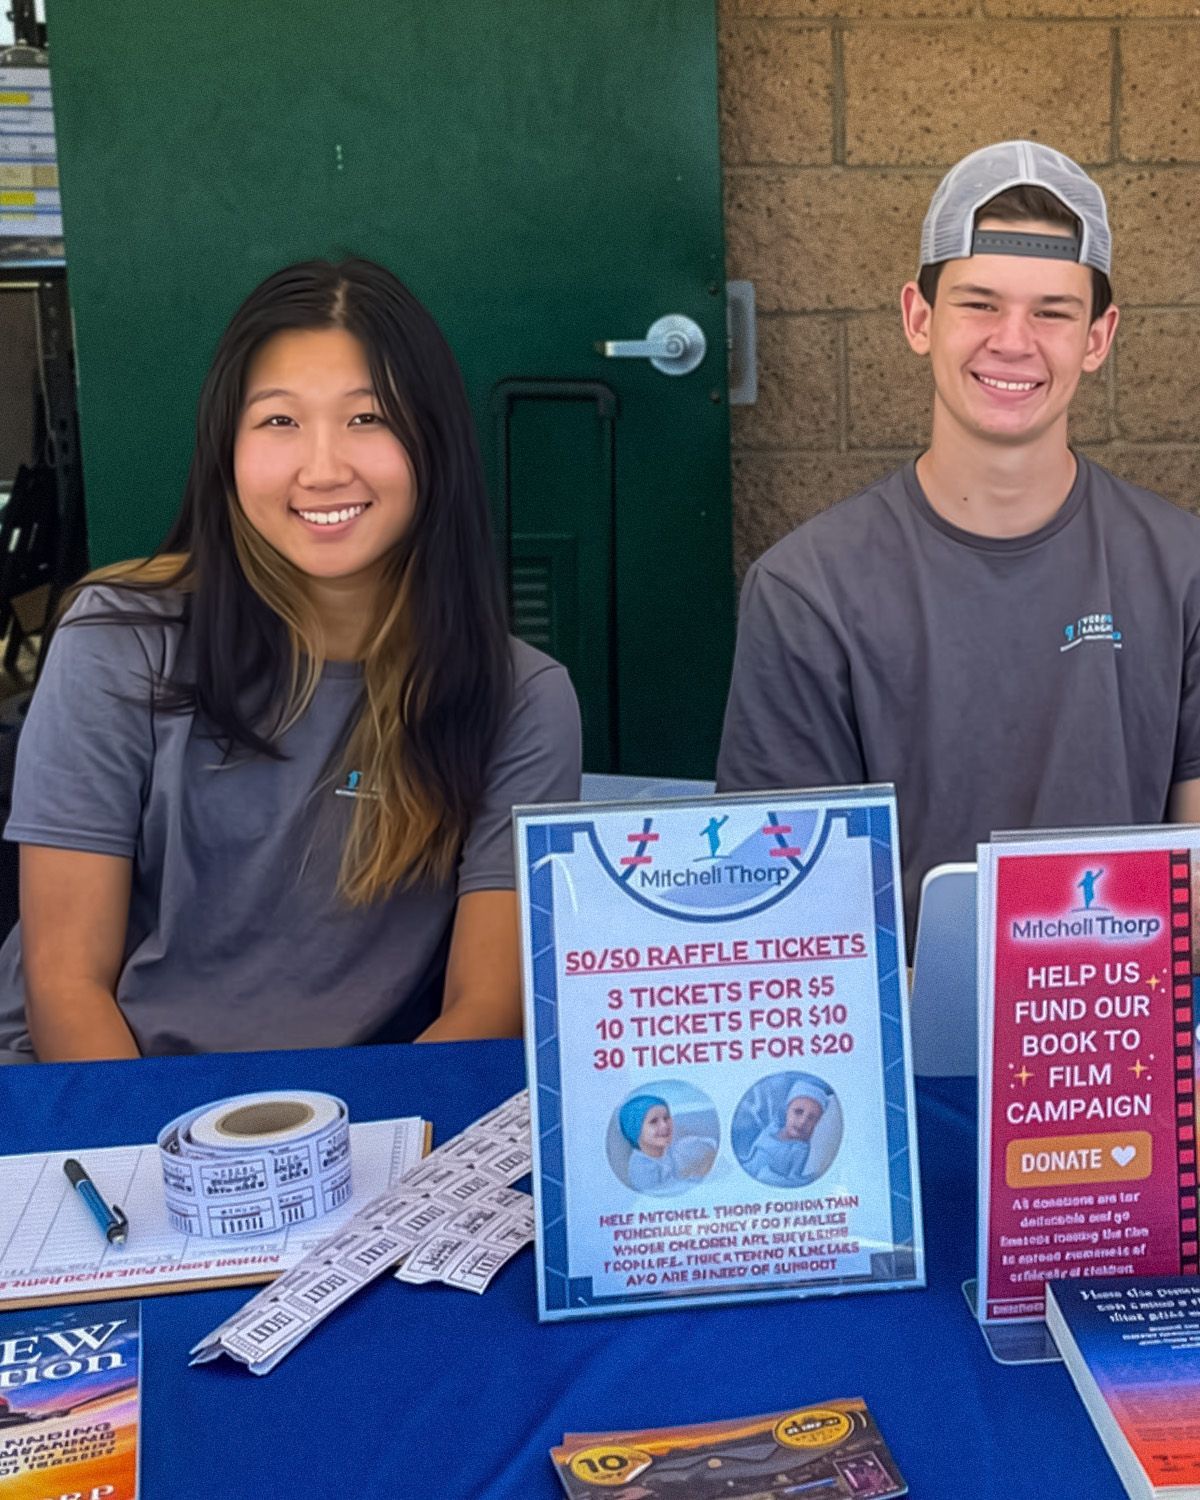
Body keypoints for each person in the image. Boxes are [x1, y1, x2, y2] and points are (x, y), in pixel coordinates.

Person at [0, 258, 581, 1063]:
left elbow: (486, 1011)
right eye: (278, 422)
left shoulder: (523, 699)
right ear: (226, 450)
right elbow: (64, 983)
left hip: (361, 1125)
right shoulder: (115, 640)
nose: (323, 468)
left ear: (434, 442)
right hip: (112, 1103)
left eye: (368, 418)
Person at [717, 141, 1200, 939]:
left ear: (1099, 338)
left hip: (1117, 1034)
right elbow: (785, 906)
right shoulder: (808, 589)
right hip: (894, 1039)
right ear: (918, 317)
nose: (1013, 341)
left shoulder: (1182, 573)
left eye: (1052, 311)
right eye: (980, 303)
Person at [618, 1093, 716, 1195]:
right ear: (635, 1129)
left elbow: (711, 1146)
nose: (664, 1125)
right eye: (654, 1121)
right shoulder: (641, 1169)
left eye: (666, 1118)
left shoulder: (674, 1149)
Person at [743, 1076, 831, 1188]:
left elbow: (792, 1179)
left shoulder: (799, 1149)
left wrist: (766, 1176)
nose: (803, 1121)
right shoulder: (772, 1129)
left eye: (811, 1118)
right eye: (798, 1112)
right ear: (786, 1111)